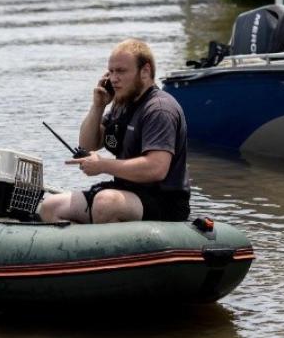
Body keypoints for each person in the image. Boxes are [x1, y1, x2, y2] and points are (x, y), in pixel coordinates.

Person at [38, 39, 190, 224]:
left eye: (121, 71)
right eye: (110, 72)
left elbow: (156, 168)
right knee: (51, 207)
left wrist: (103, 165)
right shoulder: (121, 104)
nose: (113, 78)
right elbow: (88, 144)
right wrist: (98, 106)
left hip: (163, 201)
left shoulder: (159, 109)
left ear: (145, 71)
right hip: (125, 191)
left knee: (106, 202)